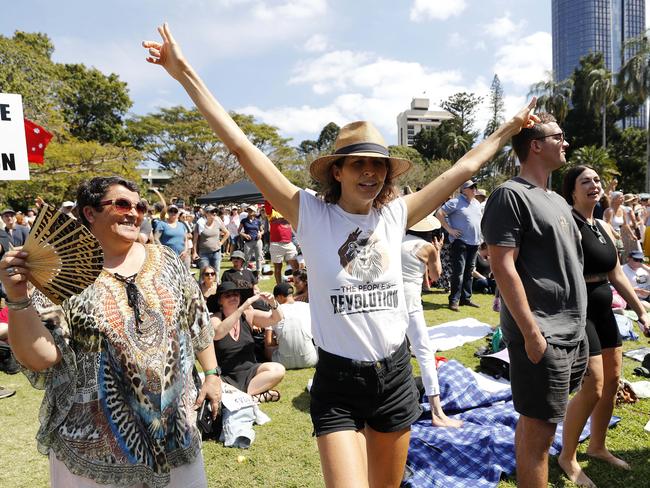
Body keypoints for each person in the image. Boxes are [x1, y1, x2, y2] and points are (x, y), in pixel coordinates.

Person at [143, 23, 536, 486]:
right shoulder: (309, 214)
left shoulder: (396, 214)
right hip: (338, 384)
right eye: (358, 164)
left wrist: (509, 127)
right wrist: (184, 71)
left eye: (378, 165)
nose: (369, 173)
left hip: (393, 375)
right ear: (338, 171)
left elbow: (465, 166)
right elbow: (241, 147)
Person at [0, 176, 221, 487]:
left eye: (139, 206)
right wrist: (18, 297)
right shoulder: (59, 273)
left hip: (174, 430)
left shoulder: (166, 260)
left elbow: (195, 318)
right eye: (122, 204)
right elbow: (42, 357)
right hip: (95, 444)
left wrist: (212, 373)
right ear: (90, 213)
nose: (134, 212)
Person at [482, 113, 588, 488]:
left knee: (535, 428)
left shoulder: (557, 199)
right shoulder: (509, 195)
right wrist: (530, 333)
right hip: (543, 333)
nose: (566, 143)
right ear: (536, 146)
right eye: (559, 136)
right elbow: (502, 266)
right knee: (540, 438)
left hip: (572, 331)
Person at [557, 166, 649, 487]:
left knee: (612, 381)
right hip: (578, 311)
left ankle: (597, 446)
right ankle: (567, 456)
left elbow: (617, 275)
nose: (595, 185)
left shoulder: (603, 227)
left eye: (597, 181)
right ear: (572, 190)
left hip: (604, 308)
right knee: (593, 385)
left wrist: (641, 312)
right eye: (586, 181)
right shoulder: (566, 223)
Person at [401, 215, 463, 428]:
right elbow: (436, 276)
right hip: (410, 304)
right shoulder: (426, 247)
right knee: (425, 354)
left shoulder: (394, 240)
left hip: (388, 303)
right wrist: (437, 250)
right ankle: (437, 412)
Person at [210, 282, 285, 402]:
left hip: (251, 372)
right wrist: (241, 308)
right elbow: (218, 333)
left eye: (236, 294)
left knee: (278, 369)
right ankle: (254, 397)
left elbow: (276, 318)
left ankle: (242, 397)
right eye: (228, 295)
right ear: (220, 301)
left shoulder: (248, 315)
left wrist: (273, 303)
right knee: (204, 381)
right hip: (225, 376)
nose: (233, 297)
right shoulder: (215, 318)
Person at [435, 180, 483, 311]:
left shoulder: (476, 203)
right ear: (464, 190)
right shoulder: (455, 202)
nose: (475, 188)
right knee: (459, 272)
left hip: (475, 242)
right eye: (472, 187)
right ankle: (454, 300)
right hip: (460, 242)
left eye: (475, 186)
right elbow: (439, 214)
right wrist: (450, 230)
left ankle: (465, 299)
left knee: (469, 272)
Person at [264, 282, 318, 369]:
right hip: (311, 360)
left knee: (267, 349)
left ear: (279, 297)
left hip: (282, 362)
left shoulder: (272, 312)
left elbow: (268, 343)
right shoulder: (308, 307)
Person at [265, 201, 300, 285]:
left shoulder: (287, 213)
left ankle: (298, 285)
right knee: (278, 269)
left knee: (296, 267)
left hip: (289, 243)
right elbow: (267, 204)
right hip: (276, 244)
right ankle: (279, 288)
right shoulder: (272, 213)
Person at [193, 204, 229, 274]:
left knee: (216, 273)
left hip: (216, 252)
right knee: (204, 273)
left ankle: (216, 285)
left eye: (215, 211)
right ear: (206, 213)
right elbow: (195, 239)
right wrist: (194, 252)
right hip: (204, 253)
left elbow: (227, 233)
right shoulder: (200, 223)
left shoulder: (218, 221)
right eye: (212, 212)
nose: (214, 213)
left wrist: (221, 243)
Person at [239, 204, 264, 275]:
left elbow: (262, 230)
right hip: (248, 242)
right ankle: (243, 272)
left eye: (251, 210)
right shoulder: (244, 220)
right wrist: (244, 235)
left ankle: (258, 274)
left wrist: (260, 234)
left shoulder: (258, 221)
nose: (249, 211)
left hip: (257, 241)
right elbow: (239, 231)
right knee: (247, 258)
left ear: (255, 212)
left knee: (258, 258)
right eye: (248, 210)